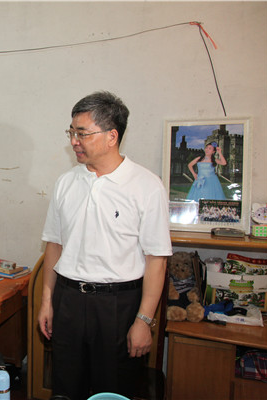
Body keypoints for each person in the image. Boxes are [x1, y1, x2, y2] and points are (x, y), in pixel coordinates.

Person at [37, 92, 173, 399]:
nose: (74, 141)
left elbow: (157, 260)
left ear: (112, 136)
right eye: (71, 132)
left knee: (113, 389)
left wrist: (144, 321)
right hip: (69, 300)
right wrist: (47, 301)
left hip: (118, 306)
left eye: (82, 133)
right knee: (66, 387)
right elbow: (54, 246)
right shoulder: (66, 182)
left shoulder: (146, 186)